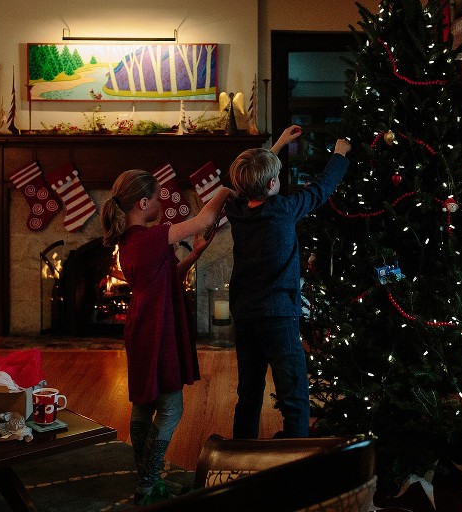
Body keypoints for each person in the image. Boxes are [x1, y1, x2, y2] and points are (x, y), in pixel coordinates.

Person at [100, 169, 232, 505]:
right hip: (157, 327)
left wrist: (194, 255)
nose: (161, 204)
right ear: (143, 204)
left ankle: (147, 480)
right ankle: (148, 481)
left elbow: (164, 277)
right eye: (157, 198)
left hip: (144, 325)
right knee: (171, 408)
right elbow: (204, 220)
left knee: (145, 403)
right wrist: (226, 190)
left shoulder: (131, 241)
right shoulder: (151, 237)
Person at [226, 125, 352, 439]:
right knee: (294, 394)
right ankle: (296, 457)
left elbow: (250, 180)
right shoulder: (283, 209)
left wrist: (279, 144)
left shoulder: (236, 210)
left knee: (248, 392)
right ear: (272, 183)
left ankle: (240, 454)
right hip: (279, 315)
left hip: (245, 315)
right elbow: (321, 189)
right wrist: (340, 155)